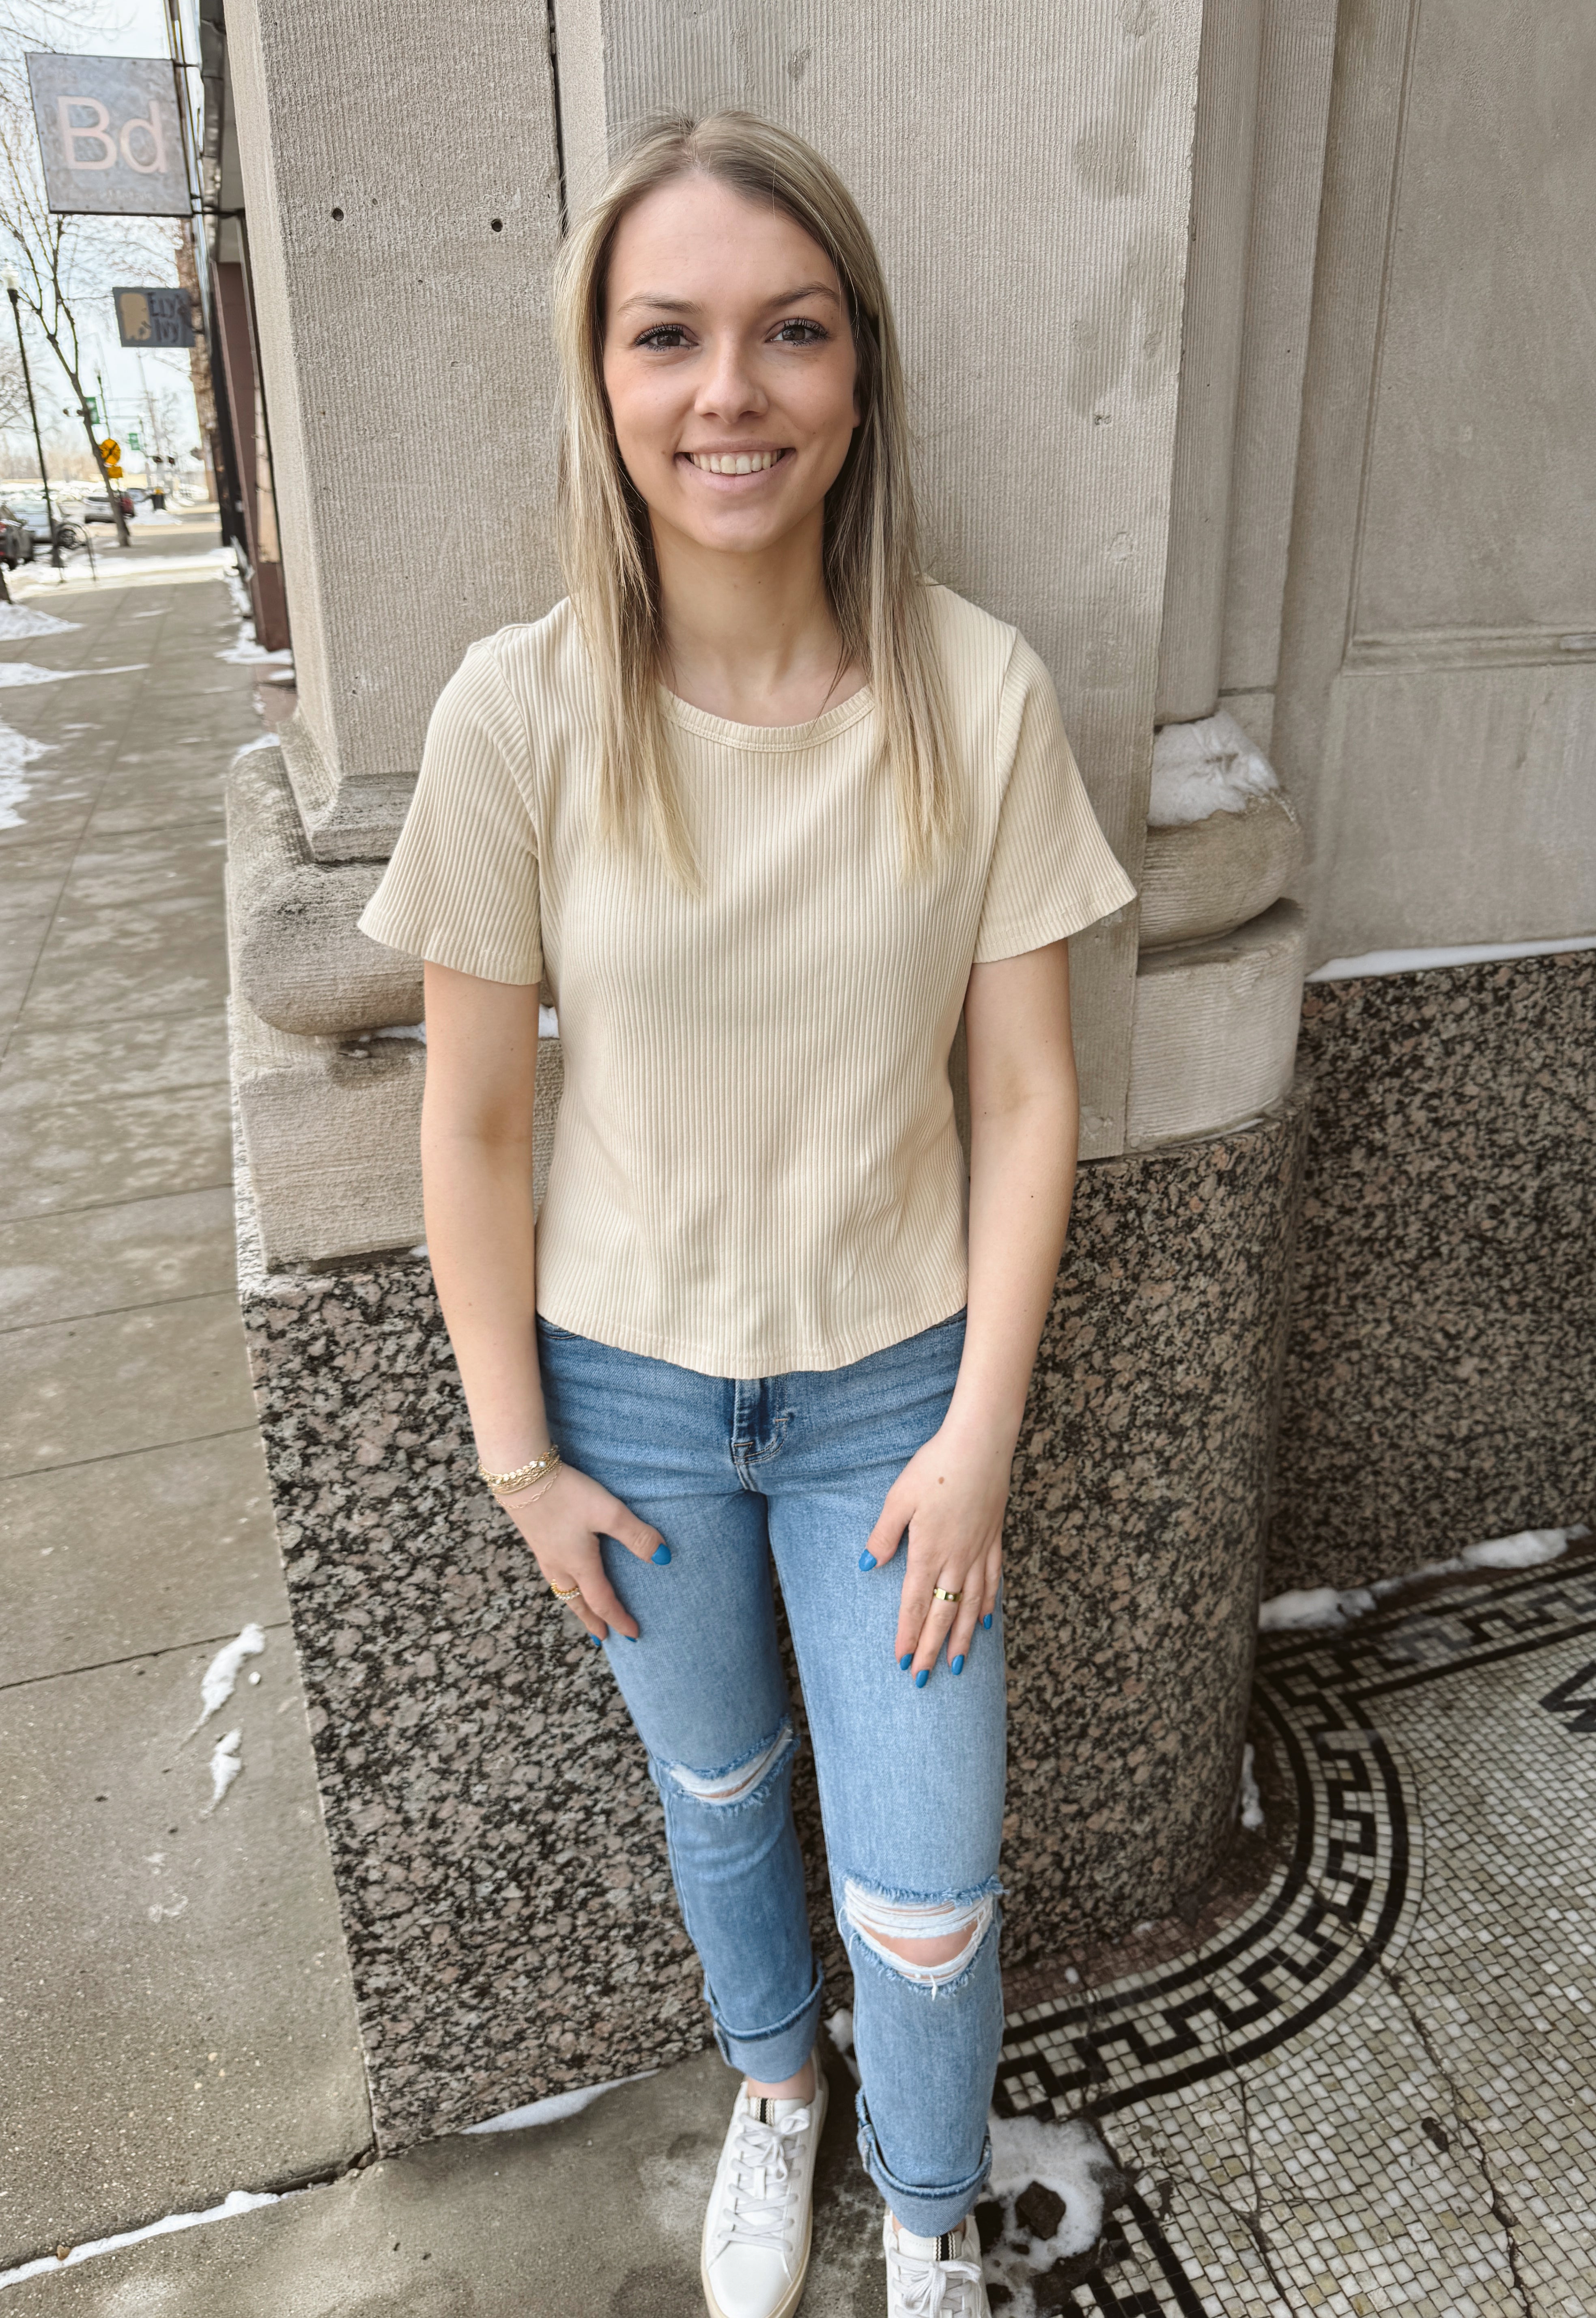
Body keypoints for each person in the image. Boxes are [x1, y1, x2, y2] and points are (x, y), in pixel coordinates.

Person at [360, 110, 1134, 2318]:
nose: (732, 393)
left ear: (860, 372)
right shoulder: (517, 717)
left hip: (899, 1389)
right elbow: (479, 1127)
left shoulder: (976, 696)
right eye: (671, 336)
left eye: (790, 334)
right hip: (627, 1391)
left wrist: (980, 1430)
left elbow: (1026, 1089)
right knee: (718, 1796)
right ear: (602, 378)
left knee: (929, 1888)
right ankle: (776, 2102)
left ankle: (921, 2213)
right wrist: (521, 1451)